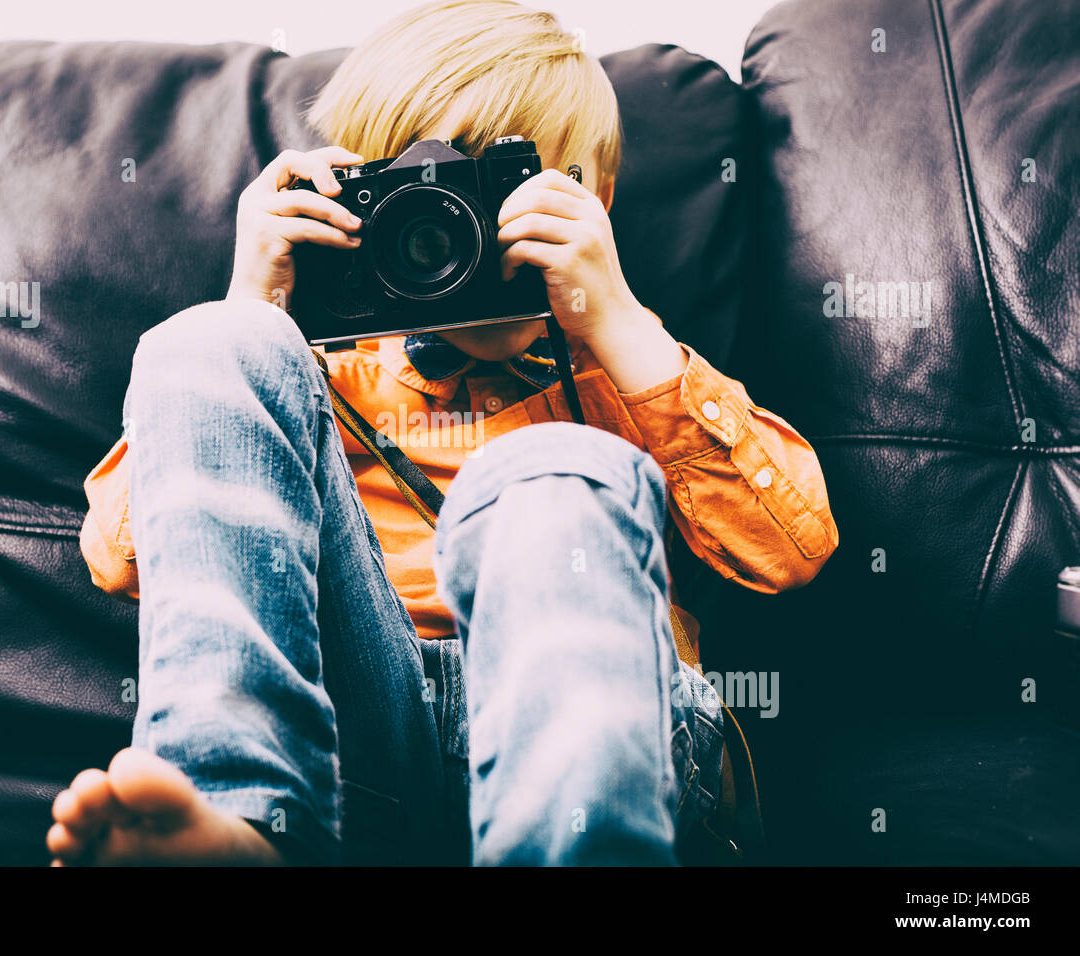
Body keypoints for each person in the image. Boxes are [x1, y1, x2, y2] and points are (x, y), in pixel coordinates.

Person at [45, 0, 837, 866]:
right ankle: (244, 824)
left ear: (594, 202)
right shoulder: (310, 378)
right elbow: (124, 559)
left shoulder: (637, 373)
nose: (462, 231)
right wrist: (255, 302)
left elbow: (788, 548)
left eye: (497, 187)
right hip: (359, 741)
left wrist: (616, 320)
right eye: (420, 201)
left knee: (550, 469)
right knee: (207, 340)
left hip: (596, 741)